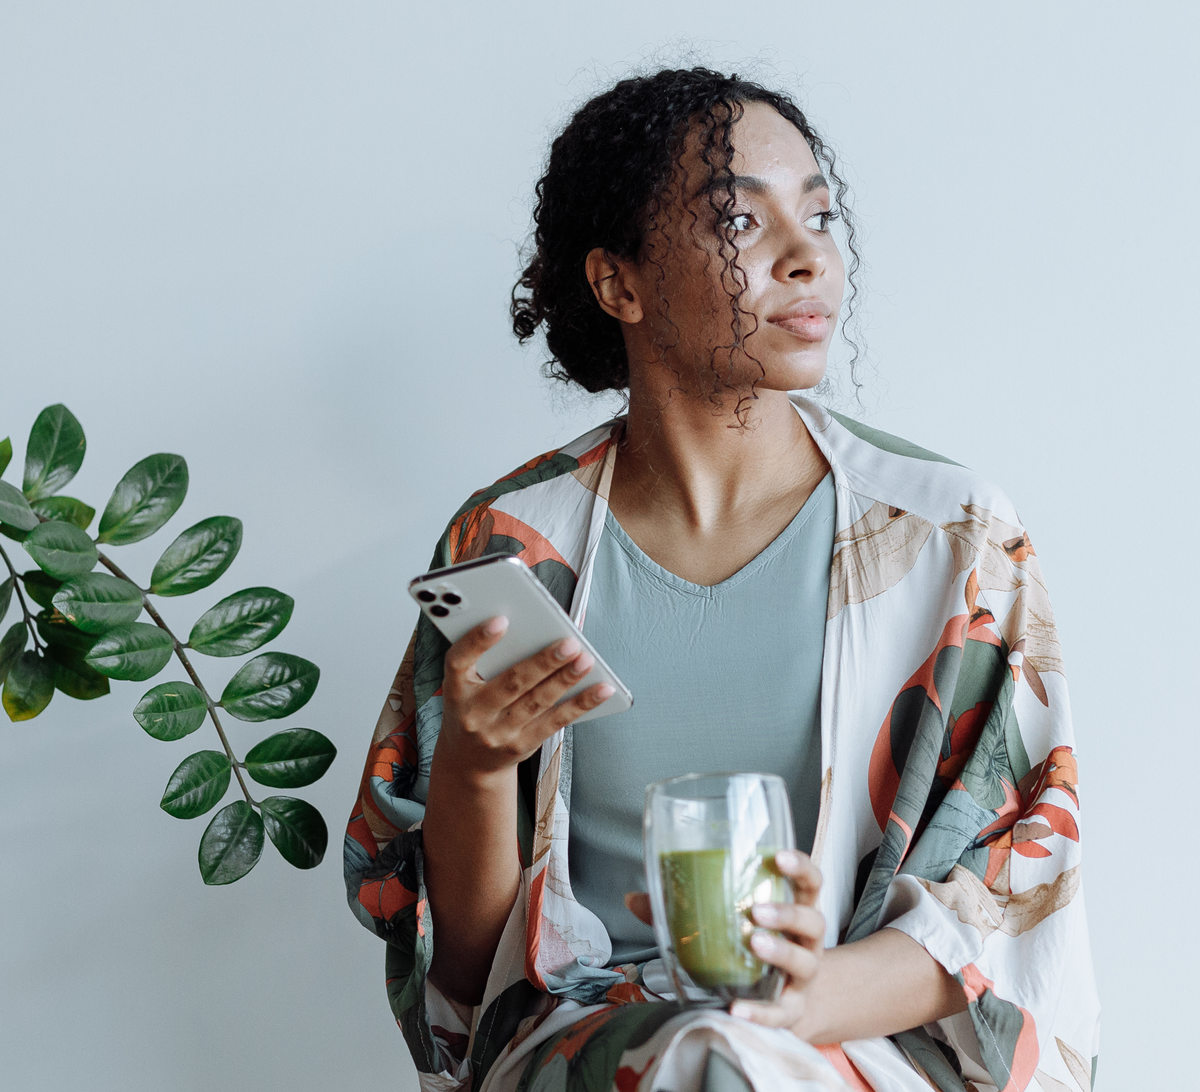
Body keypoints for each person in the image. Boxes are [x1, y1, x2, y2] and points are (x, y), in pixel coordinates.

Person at [341, 69, 1098, 1092]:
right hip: (586, 1052)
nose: (809, 257)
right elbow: (468, 988)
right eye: (742, 220)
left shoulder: (949, 541)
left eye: (820, 214)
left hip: (857, 1041)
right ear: (620, 284)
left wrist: (804, 995)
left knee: (728, 1059)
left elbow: (1014, 893)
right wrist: (474, 768)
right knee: (703, 1058)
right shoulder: (510, 547)